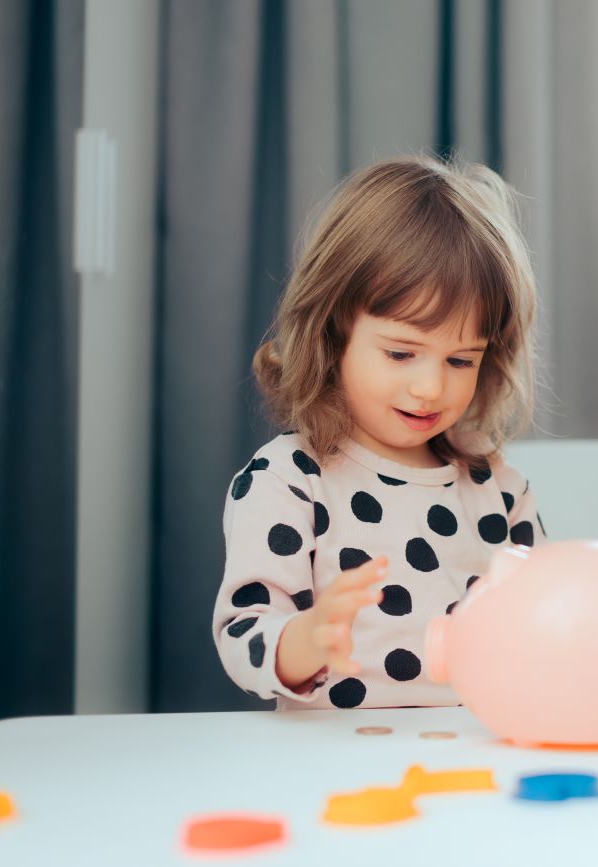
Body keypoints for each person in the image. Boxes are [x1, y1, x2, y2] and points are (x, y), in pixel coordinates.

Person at [212, 155, 544, 710]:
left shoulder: (500, 489)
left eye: (461, 361)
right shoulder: (289, 480)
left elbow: (542, 622)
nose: (430, 388)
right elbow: (244, 634)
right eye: (400, 353)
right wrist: (308, 637)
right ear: (333, 331)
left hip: (474, 761)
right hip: (334, 769)